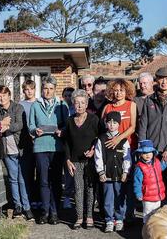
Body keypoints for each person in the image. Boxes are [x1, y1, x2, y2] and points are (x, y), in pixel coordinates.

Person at [137, 67, 167, 202]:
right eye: (161, 78)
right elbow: (143, 126)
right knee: (154, 181)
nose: (164, 82)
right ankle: (157, 212)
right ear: (156, 81)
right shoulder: (149, 100)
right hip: (152, 149)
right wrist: (144, 148)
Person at [27, 76, 69, 225]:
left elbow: (67, 125)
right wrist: (34, 130)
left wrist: (61, 131)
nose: (48, 91)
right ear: (42, 89)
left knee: (56, 181)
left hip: (57, 147)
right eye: (45, 88)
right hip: (40, 146)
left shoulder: (62, 104)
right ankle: (44, 212)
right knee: (43, 180)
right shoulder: (36, 105)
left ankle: (55, 212)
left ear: (55, 89)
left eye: (51, 89)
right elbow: (31, 125)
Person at [0, 86, 34, 221]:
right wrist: (0, 126)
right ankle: (18, 206)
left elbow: (20, 125)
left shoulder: (18, 107)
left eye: (3, 95)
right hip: (6, 150)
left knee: (22, 179)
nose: (1, 98)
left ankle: (27, 207)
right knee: (13, 179)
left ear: (9, 95)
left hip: (21, 149)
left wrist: (6, 126)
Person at [63, 89, 100, 229]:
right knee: (78, 189)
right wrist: (67, 160)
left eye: (82, 103)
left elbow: (100, 137)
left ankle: (89, 216)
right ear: (73, 104)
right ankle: (79, 217)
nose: (79, 105)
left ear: (86, 104)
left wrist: (94, 150)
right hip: (75, 161)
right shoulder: (69, 121)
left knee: (90, 189)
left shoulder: (94, 119)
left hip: (90, 161)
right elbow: (66, 142)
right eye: (77, 103)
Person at [95, 111, 131, 233]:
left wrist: (126, 172)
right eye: (109, 122)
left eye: (114, 122)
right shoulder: (101, 139)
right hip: (107, 175)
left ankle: (119, 219)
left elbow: (127, 157)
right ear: (106, 123)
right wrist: (100, 172)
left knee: (120, 197)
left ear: (119, 124)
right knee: (108, 199)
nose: (111, 124)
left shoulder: (123, 140)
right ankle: (109, 220)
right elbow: (98, 156)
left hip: (120, 175)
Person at [133, 139, 167, 223]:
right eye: (145, 153)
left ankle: (154, 228)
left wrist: (165, 161)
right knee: (147, 214)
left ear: (153, 153)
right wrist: (138, 193)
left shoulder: (156, 162)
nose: (147, 155)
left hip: (158, 194)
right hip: (147, 196)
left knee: (156, 214)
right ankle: (146, 229)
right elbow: (137, 182)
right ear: (140, 154)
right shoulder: (139, 167)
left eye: (149, 152)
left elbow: (161, 168)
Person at [18, 79, 39, 208]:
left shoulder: (40, 103)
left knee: (41, 173)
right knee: (28, 172)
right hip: (26, 142)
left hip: (39, 140)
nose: (29, 91)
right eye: (26, 89)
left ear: (35, 89)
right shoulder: (20, 105)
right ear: (23, 91)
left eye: (31, 89)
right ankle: (29, 200)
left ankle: (39, 199)